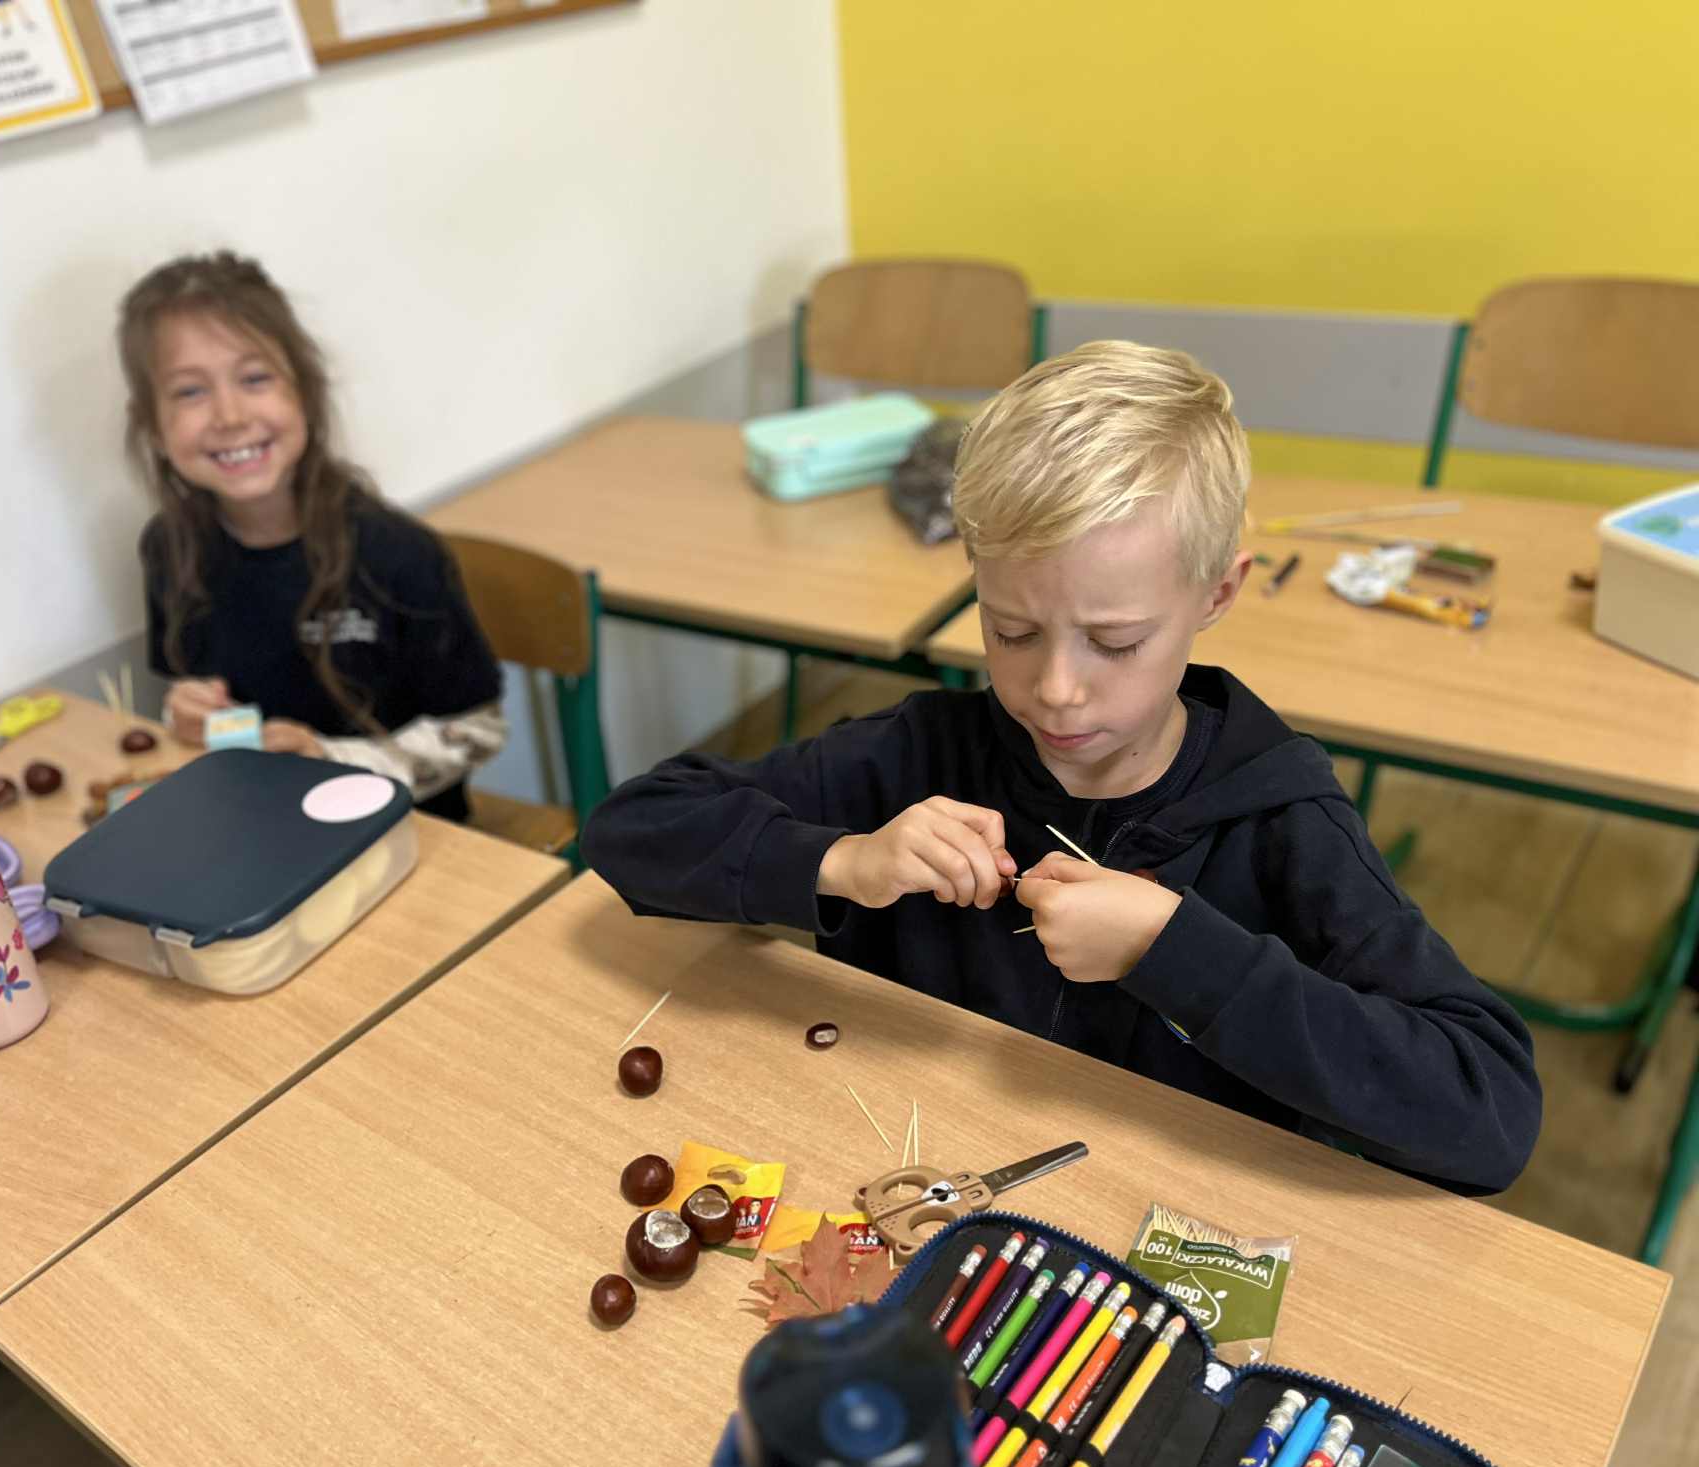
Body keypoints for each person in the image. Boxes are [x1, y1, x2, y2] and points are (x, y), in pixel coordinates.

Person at [582, 341, 1539, 1192]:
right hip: (901, 1173)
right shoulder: (921, 750)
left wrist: (1175, 950)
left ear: (1218, 595)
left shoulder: (1281, 819)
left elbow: (1489, 1111)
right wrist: (844, 862)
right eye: (1011, 631)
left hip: (1145, 1222)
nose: (1055, 691)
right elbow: (634, 826)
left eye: (1115, 643)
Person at [122, 252, 504, 821]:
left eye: (255, 379)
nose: (229, 415)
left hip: (408, 828)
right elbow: (196, 693)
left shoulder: (398, 554)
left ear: (304, 390)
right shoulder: (167, 548)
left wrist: (330, 759)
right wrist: (185, 710)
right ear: (153, 426)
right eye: (189, 392)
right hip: (257, 821)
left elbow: (478, 729)